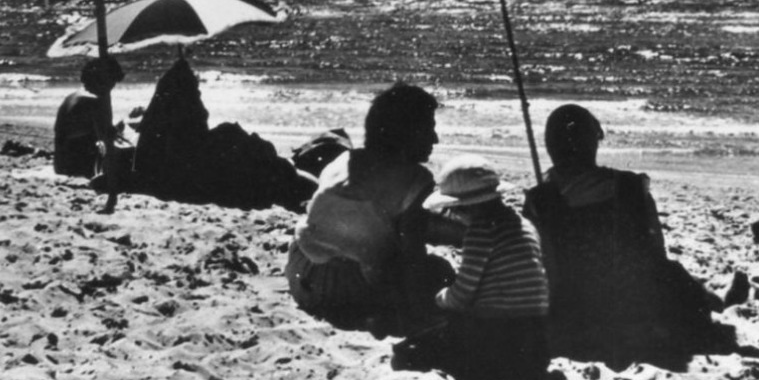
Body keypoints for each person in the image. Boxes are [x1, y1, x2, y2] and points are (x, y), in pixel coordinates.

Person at [523, 104, 735, 369]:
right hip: (637, 305)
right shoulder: (632, 187)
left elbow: (543, 268)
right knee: (677, 277)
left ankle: (717, 299)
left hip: (577, 312)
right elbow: (656, 252)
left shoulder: (539, 200)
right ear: (592, 143)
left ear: (551, 146)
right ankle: (715, 300)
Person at [285, 83, 460, 334]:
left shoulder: (344, 159)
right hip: (347, 289)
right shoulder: (416, 179)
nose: (435, 138)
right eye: (429, 129)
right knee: (438, 271)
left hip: (303, 274)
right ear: (407, 133)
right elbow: (412, 254)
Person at [391, 156, 552, 380]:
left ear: (465, 207)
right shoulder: (525, 225)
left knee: (413, 350)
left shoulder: (480, 232)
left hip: (496, 339)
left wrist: (440, 297)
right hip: (535, 340)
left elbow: (462, 295)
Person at [126, 53, 315, 209]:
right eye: (195, 89)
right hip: (190, 176)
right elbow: (195, 147)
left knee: (237, 139)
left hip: (182, 173)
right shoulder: (183, 110)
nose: (197, 93)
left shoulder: (160, 116)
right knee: (258, 158)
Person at [53, 56, 125, 179]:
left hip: (60, 163)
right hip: (77, 166)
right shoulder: (93, 102)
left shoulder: (72, 96)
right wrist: (119, 129)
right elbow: (105, 137)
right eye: (112, 82)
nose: (112, 87)